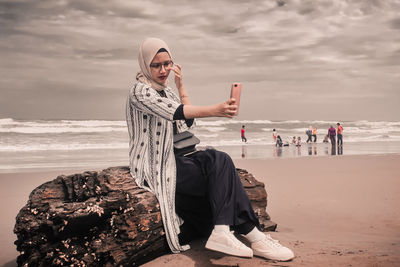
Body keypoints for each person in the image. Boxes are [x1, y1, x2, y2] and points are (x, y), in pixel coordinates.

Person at [126, 38, 294, 261]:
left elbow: (187, 124)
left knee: (220, 158)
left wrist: (181, 86)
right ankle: (251, 234)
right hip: (157, 165)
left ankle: (235, 233)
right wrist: (217, 110)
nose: (164, 70)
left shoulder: (168, 92)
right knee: (220, 167)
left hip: (179, 159)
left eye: (168, 63)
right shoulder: (140, 92)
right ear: (145, 65)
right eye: (156, 65)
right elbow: (176, 112)